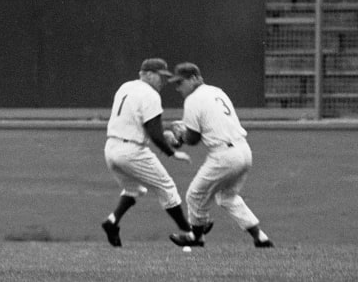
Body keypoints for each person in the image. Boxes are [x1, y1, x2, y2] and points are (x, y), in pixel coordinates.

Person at [165, 62, 274, 248]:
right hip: (244, 150)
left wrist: (179, 136)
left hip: (225, 154)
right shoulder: (216, 91)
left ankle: (197, 236)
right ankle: (260, 237)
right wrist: (183, 135)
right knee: (227, 197)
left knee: (194, 195)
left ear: (194, 79)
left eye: (180, 82)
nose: (178, 88)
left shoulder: (192, 100)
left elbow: (193, 139)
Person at [101, 58, 196, 247]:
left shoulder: (125, 87)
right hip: (131, 151)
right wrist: (172, 152)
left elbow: (138, 122)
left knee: (134, 189)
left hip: (111, 148)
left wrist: (164, 134)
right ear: (149, 75)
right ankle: (190, 233)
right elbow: (154, 133)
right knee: (167, 188)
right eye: (160, 76)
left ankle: (112, 222)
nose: (163, 81)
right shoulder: (151, 94)